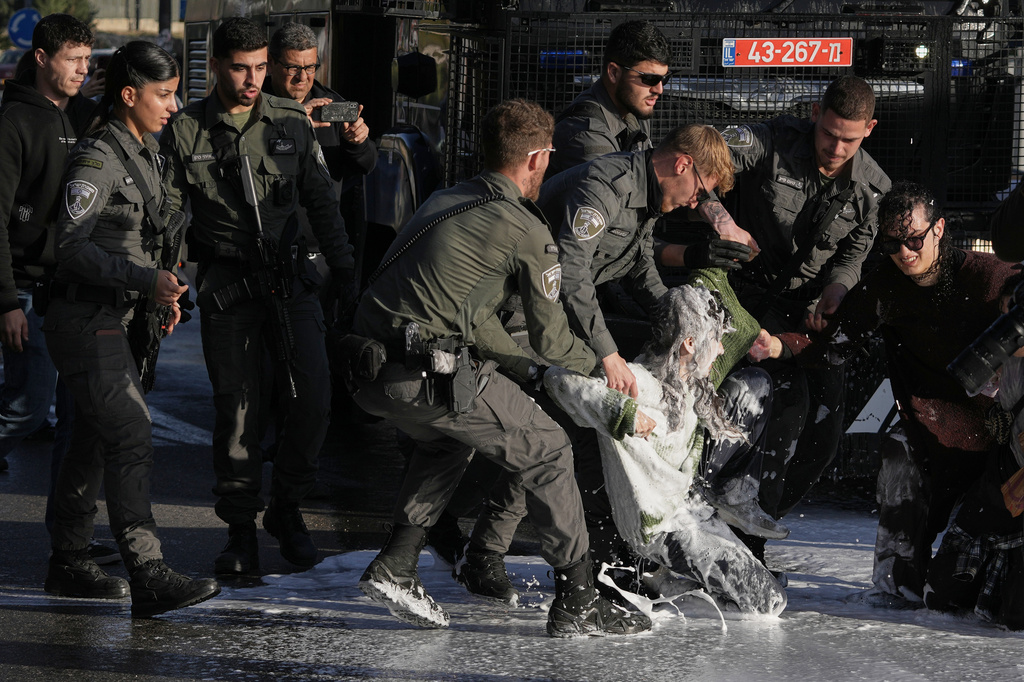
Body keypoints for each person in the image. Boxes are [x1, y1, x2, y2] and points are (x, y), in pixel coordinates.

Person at [350, 98, 651, 638]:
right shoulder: (524, 228)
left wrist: (529, 372)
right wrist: (601, 369)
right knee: (550, 447)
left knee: (447, 442)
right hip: (428, 374)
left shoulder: (448, 198)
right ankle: (579, 597)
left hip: (368, 369)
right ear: (537, 157)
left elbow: (477, 319)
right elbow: (551, 336)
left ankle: (397, 562)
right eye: (549, 155)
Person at [751, 181, 1018, 605]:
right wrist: (778, 345)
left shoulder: (990, 276)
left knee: (966, 591)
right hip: (928, 428)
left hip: (999, 438)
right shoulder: (885, 287)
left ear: (939, 229)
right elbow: (834, 347)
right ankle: (898, 582)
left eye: (914, 239)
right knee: (900, 457)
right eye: (892, 244)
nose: (904, 253)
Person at [160, 17, 356, 575]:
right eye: (241, 68)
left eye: (261, 68)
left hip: (291, 280)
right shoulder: (186, 131)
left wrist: (344, 270)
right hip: (229, 286)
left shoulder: (290, 120)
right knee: (239, 411)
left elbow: (321, 202)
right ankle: (240, 529)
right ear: (215, 66)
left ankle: (287, 508)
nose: (252, 80)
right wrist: (163, 280)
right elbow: (168, 217)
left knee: (313, 399)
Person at [42, 41, 220, 617]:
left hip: (118, 317)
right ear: (128, 94)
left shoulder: (146, 152)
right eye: (163, 95)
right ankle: (148, 572)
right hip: (85, 317)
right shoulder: (98, 159)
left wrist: (159, 292)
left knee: (92, 439)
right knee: (130, 433)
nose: (173, 107)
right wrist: (145, 281)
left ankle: (69, 559)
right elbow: (71, 248)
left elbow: (148, 236)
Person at [694, 75, 892, 545]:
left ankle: (756, 521)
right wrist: (722, 220)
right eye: (829, 133)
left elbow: (853, 257)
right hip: (742, 294)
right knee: (784, 405)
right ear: (814, 115)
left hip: (806, 312)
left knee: (824, 436)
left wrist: (837, 291)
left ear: (869, 129)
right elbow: (695, 164)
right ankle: (740, 539)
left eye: (849, 139)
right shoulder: (771, 142)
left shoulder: (872, 188)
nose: (836, 148)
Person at [544, 285, 787, 615]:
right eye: (715, 339)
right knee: (769, 603)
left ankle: (670, 575)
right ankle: (654, 576)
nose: (720, 349)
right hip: (661, 526)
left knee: (755, 383)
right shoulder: (643, 381)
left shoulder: (690, 379)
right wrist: (624, 413)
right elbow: (559, 379)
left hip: (690, 508)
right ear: (689, 343)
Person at [0, 13, 119, 562]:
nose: (82, 70)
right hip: (28, 292)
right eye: (73, 59)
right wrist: (7, 302)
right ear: (43, 58)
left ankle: (70, 541)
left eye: (87, 60)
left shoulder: (84, 115)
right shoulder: (15, 121)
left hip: (76, 291)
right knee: (26, 411)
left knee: (78, 422)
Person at [540, 123, 734, 399]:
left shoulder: (648, 192)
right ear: (682, 165)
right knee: (595, 393)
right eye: (700, 192)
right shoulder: (606, 186)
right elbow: (569, 270)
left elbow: (639, 265)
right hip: (524, 308)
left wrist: (681, 323)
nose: (695, 203)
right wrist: (608, 354)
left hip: (561, 307)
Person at [546, 19, 669, 180]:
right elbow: (619, 192)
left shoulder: (633, 110)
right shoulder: (586, 133)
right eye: (649, 79)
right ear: (614, 73)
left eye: (664, 79)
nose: (659, 89)